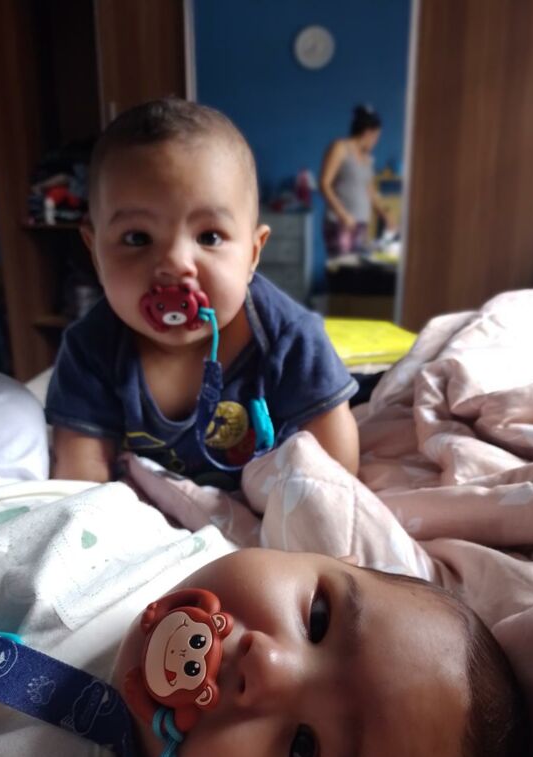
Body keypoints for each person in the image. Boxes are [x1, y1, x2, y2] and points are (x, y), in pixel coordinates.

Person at [0, 373, 529, 757]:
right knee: (1, 403)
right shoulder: (215, 551)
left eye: (302, 752)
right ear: (328, 559)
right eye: (318, 620)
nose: (267, 664)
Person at [45, 98, 360, 488]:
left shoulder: (289, 336)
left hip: (269, 497)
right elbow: (80, 473)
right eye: (137, 238)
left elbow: (335, 470)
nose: (175, 263)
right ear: (95, 252)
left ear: (253, 254)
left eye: (209, 237)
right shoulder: (89, 349)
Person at [319, 104, 394, 258]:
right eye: (376, 137)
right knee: (342, 267)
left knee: (357, 268)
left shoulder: (368, 159)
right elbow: (324, 184)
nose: (376, 142)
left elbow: (370, 191)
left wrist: (385, 215)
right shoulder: (340, 148)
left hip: (360, 225)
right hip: (340, 223)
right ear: (367, 133)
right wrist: (343, 214)